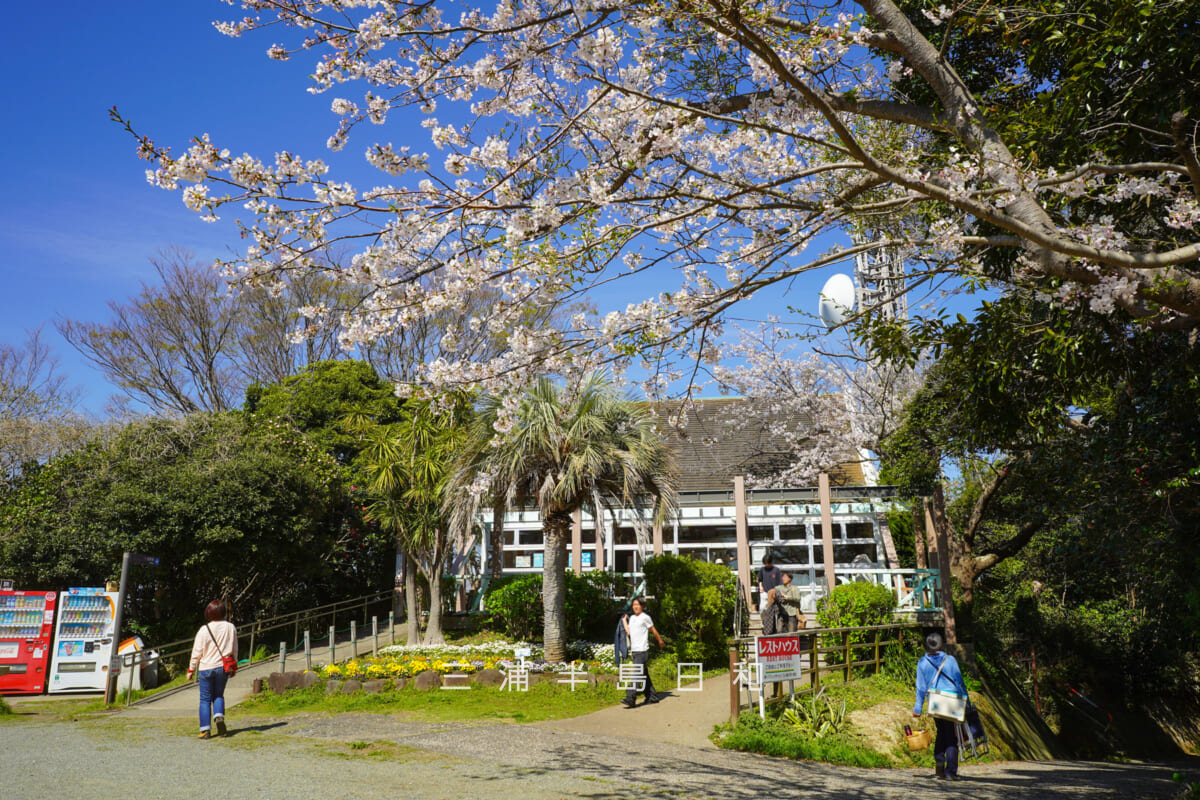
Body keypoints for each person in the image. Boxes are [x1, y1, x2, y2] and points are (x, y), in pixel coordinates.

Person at [913, 631, 970, 781]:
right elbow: (959, 681)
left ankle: (939, 762)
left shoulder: (922, 662)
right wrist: (967, 701)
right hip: (952, 701)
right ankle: (951, 772)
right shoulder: (950, 660)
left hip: (935, 702)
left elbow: (920, 687)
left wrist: (918, 708)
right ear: (942, 645)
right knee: (951, 735)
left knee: (941, 732)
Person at [188, 599, 237, 740]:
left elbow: (197, 651)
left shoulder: (204, 630)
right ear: (223, 612)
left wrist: (191, 669)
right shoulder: (230, 627)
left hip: (206, 668)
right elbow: (234, 648)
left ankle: (205, 730)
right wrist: (234, 666)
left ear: (208, 613)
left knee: (204, 699)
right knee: (218, 695)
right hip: (223, 667)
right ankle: (219, 717)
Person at [621, 597, 664, 708]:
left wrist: (660, 640)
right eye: (634, 604)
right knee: (643, 675)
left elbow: (653, 630)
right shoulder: (633, 618)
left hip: (642, 651)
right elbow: (629, 632)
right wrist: (624, 621)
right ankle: (652, 696)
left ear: (642, 606)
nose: (635, 606)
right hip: (635, 651)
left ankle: (630, 698)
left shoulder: (645, 617)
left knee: (637, 675)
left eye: (638, 604)